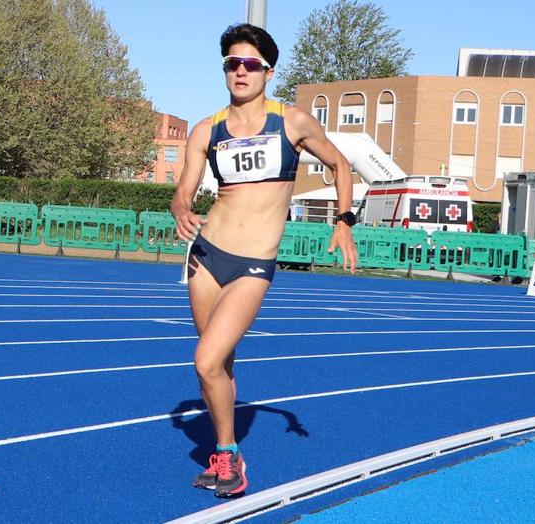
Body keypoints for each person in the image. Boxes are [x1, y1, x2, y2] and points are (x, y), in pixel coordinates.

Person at [170, 23, 357, 498]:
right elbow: (182, 193)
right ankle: (223, 450)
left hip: (254, 263)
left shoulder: (291, 122)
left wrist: (343, 220)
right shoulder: (206, 130)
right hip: (207, 257)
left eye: (249, 64)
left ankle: (230, 456)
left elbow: (340, 164)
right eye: (231, 63)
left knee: (206, 361)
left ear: (268, 72)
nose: (240, 71)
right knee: (219, 364)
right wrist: (182, 210)